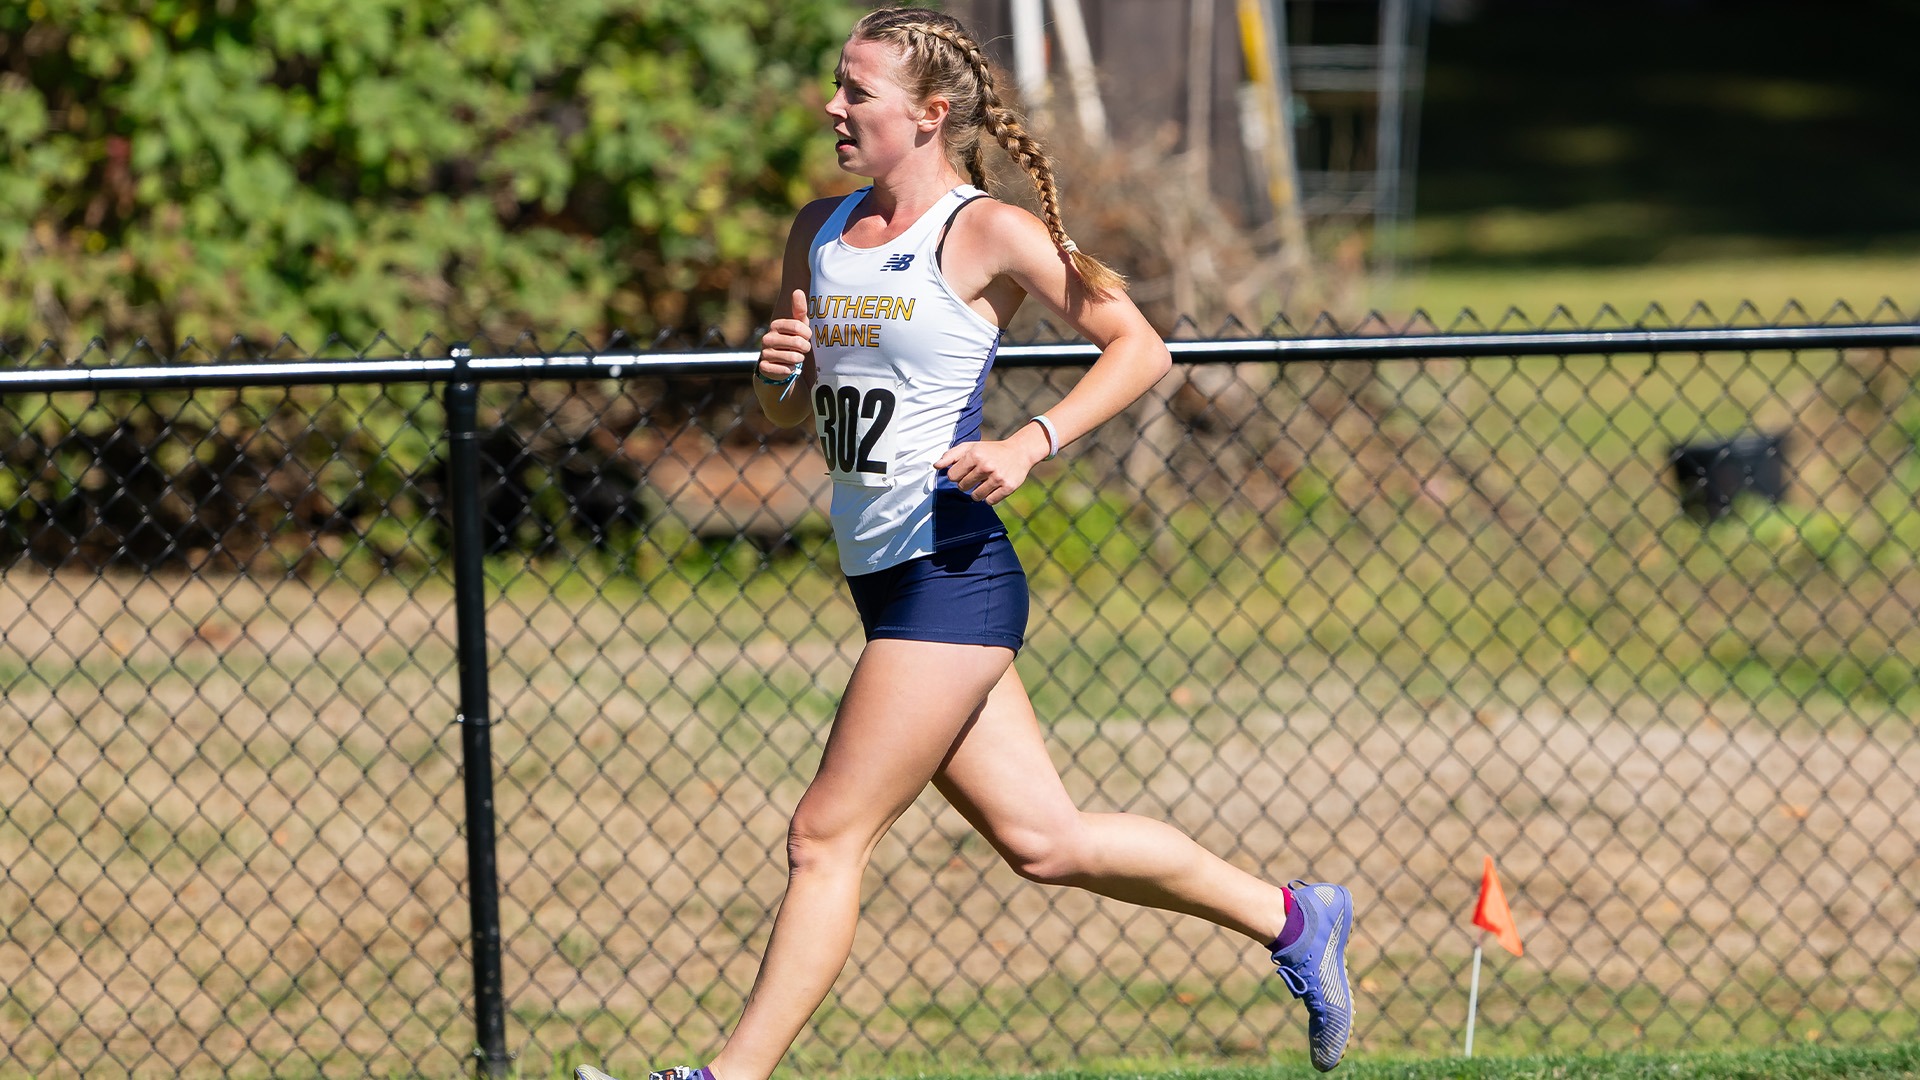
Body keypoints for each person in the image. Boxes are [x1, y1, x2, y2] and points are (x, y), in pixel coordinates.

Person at [577, 8, 1352, 1079]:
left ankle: (724, 1079)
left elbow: (1140, 346)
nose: (834, 108)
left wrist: (1034, 442)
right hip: (880, 581)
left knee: (822, 836)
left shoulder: (982, 231)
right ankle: (1293, 919)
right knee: (1049, 844)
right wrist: (778, 378)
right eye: (837, 88)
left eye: (859, 93)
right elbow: (794, 421)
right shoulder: (817, 229)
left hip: (953, 571)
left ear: (931, 115)